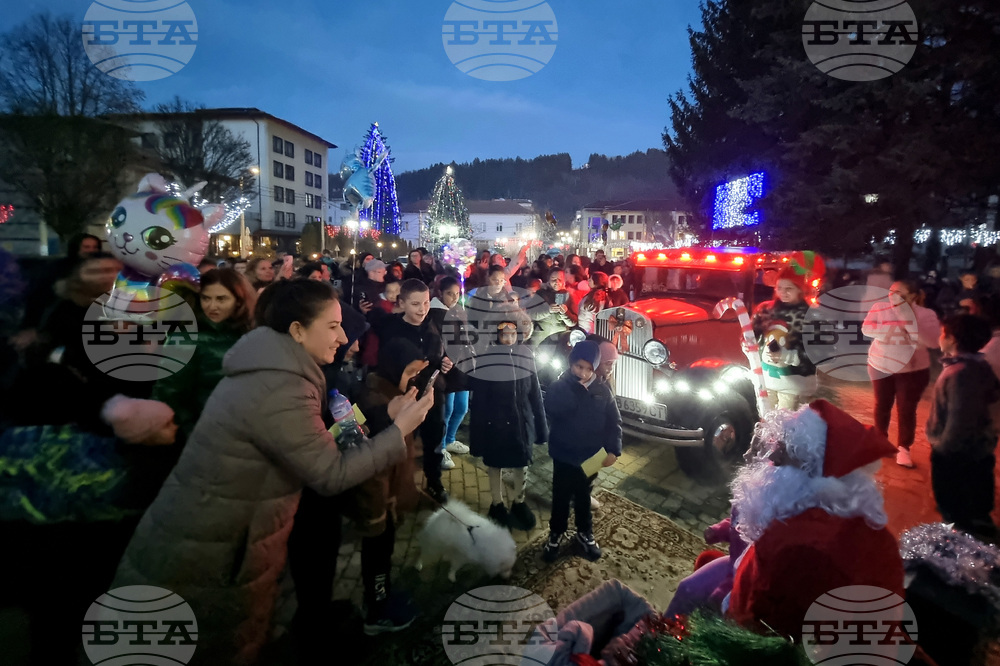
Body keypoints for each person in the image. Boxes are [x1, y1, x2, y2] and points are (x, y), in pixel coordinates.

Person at [112, 279, 434, 665]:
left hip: (228, 542)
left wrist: (386, 416)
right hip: (215, 550)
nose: (346, 336)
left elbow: (328, 433)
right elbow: (330, 472)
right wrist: (398, 431)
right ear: (297, 330)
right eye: (333, 326)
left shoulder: (286, 370)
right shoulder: (280, 385)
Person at [725, 400, 904, 642]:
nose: (768, 465)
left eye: (779, 459)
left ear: (809, 476)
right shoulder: (868, 530)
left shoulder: (800, 548)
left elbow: (770, 634)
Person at [350, 339, 426, 634]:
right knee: (377, 555)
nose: (415, 378)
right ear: (393, 367)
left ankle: (382, 597)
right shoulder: (375, 401)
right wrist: (375, 513)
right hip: (379, 503)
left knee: (385, 552)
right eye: (410, 371)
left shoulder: (397, 393)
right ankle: (376, 610)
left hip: (390, 498)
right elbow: (370, 462)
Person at [151, 268, 257, 442]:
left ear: (239, 301)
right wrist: (192, 433)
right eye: (206, 298)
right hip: (205, 435)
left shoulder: (251, 332)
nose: (212, 306)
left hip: (246, 431)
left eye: (221, 299)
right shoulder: (186, 338)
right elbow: (169, 394)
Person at [543, 341, 622, 563]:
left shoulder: (602, 391)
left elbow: (613, 422)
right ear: (571, 364)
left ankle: (584, 532)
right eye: (579, 367)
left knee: (583, 496)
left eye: (588, 369)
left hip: (591, 457)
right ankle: (555, 533)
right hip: (564, 454)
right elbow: (552, 408)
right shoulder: (560, 386)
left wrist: (614, 449)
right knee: (560, 497)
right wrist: (576, 392)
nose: (583, 373)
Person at [376, 278, 454, 503]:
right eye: (416, 304)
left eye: (426, 303)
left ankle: (434, 482)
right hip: (404, 398)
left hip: (432, 396)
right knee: (402, 444)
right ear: (402, 303)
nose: (422, 310)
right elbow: (384, 368)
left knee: (434, 442)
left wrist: (444, 362)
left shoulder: (433, 323)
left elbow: (439, 355)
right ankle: (398, 488)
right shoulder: (390, 329)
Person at [926, 314, 1000, 540]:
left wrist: (944, 449)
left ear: (952, 339)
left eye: (942, 333)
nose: (940, 337)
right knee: (975, 503)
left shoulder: (961, 374)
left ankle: (962, 551)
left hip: (957, 454)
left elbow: (960, 419)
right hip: (977, 450)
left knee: (955, 507)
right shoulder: (977, 366)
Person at [469, 321, 548, 531]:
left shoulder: (526, 356)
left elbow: (535, 394)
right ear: (496, 335)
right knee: (495, 465)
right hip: (495, 425)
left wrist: (541, 427)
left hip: (521, 424)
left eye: (513, 334)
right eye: (505, 335)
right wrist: (477, 438)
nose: (510, 339)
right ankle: (497, 503)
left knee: (521, 463)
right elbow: (479, 402)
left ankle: (519, 502)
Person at [862, 279, 941, 468]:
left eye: (900, 293)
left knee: (906, 409)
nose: (893, 297)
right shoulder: (880, 307)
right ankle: (880, 441)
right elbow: (867, 328)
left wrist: (907, 320)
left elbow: (932, 342)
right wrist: (892, 331)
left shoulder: (925, 313)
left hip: (912, 370)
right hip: (880, 365)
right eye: (891, 292)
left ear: (913, 296)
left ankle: (904, 447)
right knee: (882, 404)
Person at [751, 266, 817, 411]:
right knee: (765, 418)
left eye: (789, 288)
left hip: (793, 384)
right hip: (766, 379)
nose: (783, 292)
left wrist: (788, 356)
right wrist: (749, 344)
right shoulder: (766, 309)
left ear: (800, 289)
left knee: (786, 422)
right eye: (779, 287)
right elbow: (753, 334)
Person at [429, 276, 471, 470]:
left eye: (457, 294)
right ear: (440, 293)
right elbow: (437, 341)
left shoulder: (458, 311)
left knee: (462, 407)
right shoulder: (435, 313)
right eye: (449, 294)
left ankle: (451, 439)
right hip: (446, 369)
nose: (454, 297)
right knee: (447, 410)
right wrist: (446, 357)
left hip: (461, 366)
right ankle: (441, 447)